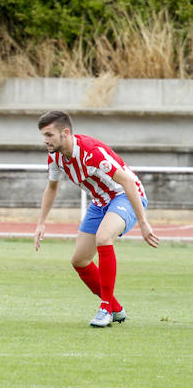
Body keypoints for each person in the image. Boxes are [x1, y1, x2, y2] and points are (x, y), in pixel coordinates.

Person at [34, 110, 160, 327]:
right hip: (100, 201)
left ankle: (105, 309)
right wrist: (41, 222)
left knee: (103, 238)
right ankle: (116, 308)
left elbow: (128, 182)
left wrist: (143, 222)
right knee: (80, 260)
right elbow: (52, 187)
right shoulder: (55, 157)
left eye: (49, 135)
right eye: (43, 135)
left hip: (125, 196)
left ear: (65, 133)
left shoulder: (92, 153)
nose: (45, 141)